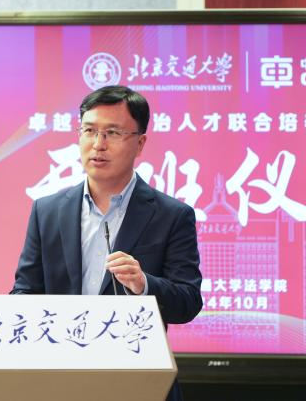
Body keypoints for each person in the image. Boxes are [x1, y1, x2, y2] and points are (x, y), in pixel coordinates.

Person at [11, 85, 202, 401]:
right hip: (60, 382)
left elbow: (188, 302)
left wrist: (143, 284)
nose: (98, 144)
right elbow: (25, 292)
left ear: (140, 143)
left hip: (139, 384)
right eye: (89, 131)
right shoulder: (48, 211)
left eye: (112, 133)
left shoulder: (172, 215)